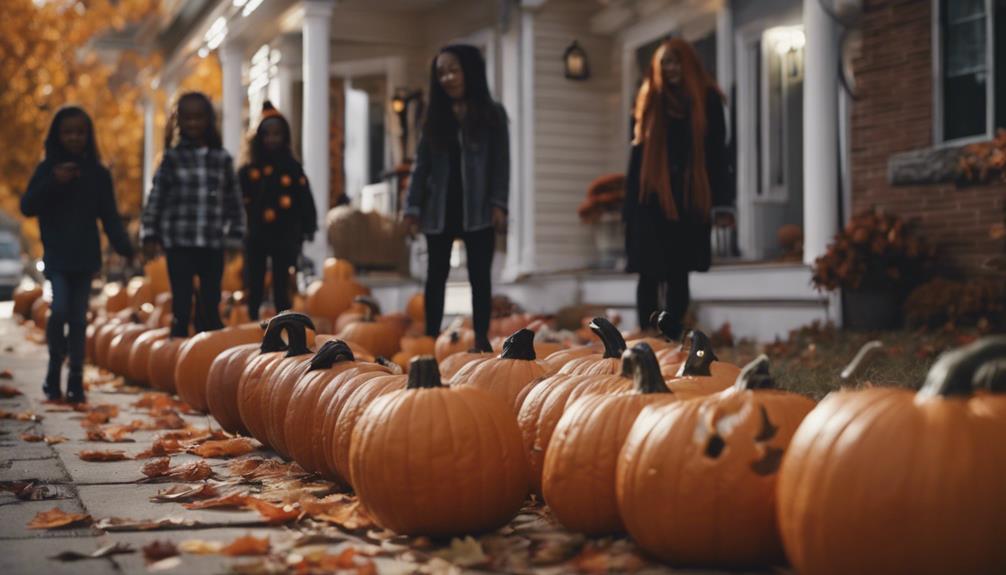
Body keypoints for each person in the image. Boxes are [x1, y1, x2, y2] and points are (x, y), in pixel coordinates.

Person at [21, 106, 134, 403]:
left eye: (80, 132)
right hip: (57, 257)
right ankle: (53, 369)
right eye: (68, 132)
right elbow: (27, 206)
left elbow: (109, 217)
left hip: (85, 259)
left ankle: (75, 380)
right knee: (58, 312)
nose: (74, 137)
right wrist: (53, 183)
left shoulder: (98, 174)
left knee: (79, 320)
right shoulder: (47, 171)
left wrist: (126, 248)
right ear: (58, 135)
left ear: (89, 135)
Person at [623, 38, 732, 338]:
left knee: (678, 271)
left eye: (675, 61)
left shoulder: (707, 100)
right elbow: (636, 156)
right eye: (665, 63)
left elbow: (718, 155)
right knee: (648, 271)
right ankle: (647, 334)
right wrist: (629, 206)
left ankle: (670, 334)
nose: (671, 68)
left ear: (688, 63)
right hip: (650, 197)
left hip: (688, 196)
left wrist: (723, 203)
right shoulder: (647, 101)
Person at [403, 44, 509, 351]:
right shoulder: (434, 116)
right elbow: (420, 167)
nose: (448, 78)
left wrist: (499, 203)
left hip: (479, 208)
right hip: (439, 209)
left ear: (470, 72)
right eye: (441, 73)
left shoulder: (492, 115)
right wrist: (412, 207)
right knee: (435, 278)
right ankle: (430, 340)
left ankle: (481, 341)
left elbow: (501, 163)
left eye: (453, 70)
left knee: (480, 277)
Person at [141, 92, 244, 337]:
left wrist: (236, 235)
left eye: (199, 118)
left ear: (209, 120)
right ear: (179, 122)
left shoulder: (222, 160)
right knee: (182, 299)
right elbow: (156, 199)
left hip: (212, 242)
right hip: (179, 242)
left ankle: (206, 344)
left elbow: (234, 202)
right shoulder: (171, 159)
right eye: (187, 119)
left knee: (210, 300)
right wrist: (149, 233)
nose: (194, 124)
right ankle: (178, 343)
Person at [238, 102, 317, 320]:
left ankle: (284, 319)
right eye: (267, 134)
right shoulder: (249, 170)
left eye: (277, 134)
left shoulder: (292, 167)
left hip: (286, 233)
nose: (272, 139)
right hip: (256, 233)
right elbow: (238, 200)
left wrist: (309, 225)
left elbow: (304, 197)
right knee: (255, 279)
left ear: (285, 137)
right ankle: (253, 318)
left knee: (282, 281)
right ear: (259, 137)